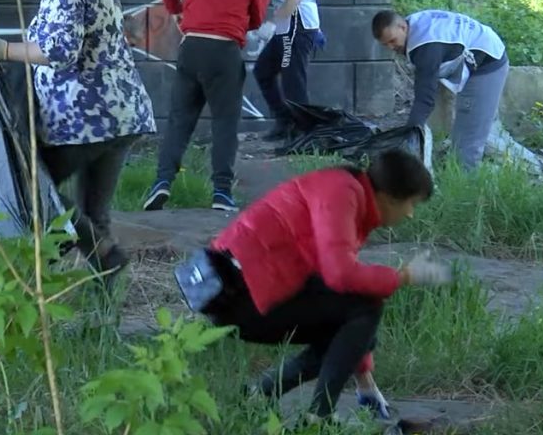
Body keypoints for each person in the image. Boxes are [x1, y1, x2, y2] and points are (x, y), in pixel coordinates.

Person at [183, 149, 451, 425]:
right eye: (411, 204)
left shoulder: (351, 191)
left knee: (358, 317)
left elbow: (345, 303)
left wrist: (365, 379)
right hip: (236, 296)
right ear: (389, 197)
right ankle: (318, 418)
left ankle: (259, 393)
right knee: (367, 307)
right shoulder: (342, 193)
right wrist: (402, 277)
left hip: (244, 290)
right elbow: (341, 276)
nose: (409, 215)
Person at [0, 0, 156, 281]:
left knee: (31, 186)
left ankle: (88, 261)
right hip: (120, 115)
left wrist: (3, 49)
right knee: (93, 211)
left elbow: (60, 51)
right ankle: (103, 307)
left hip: (85, 120)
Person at [142, 0, 271, 213]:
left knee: (179, 119)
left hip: (191, 46)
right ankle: (222, 193)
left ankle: (162, 181)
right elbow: (257, 18)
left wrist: (176, 10)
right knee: (225, 123)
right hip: (224, 51)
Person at [372, 9, 509, 170]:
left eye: (392, 41)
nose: (391, 47)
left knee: (467, 139)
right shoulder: (412, 25)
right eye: (385, 44)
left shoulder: (425, 48)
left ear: (402, 27)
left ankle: (465, 183)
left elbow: (425, 99)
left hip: (488, 63)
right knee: (477, 127)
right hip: (479, 48)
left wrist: (409, 134)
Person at [254, 0, 326, 143]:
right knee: (263, 71)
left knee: (293, 82)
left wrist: (274, 23)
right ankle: (285, 122)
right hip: (287, 30)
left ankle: (304, 135)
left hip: (296, 29)